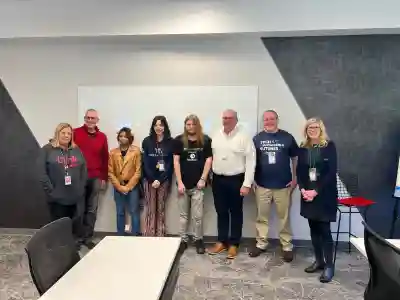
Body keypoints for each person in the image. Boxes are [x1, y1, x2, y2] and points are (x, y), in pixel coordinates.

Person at [249, 110, 298, 262]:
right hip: (262, 185)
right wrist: (252, 180)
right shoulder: (257, 138)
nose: (268, 121)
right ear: (263, 121)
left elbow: (295, 158)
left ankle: (286, 246)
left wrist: (295, 178)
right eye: (266, 119)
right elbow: (251, 161)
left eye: (271, 119)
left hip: (283, 185)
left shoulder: (287, 137)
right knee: (261, 217)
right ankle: (261, 243)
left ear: (277, 120)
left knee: (284, 217)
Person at [208, 109, 256, 259]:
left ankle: (234, 244)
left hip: (236, 180)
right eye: (224, 118)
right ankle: (222, 241)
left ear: (236, 120)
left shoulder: (244, 137)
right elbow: (212, 157)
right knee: (221, 211)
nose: (225, 120)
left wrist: (247, 183)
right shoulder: (216, 135)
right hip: (218, 179)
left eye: (229, 118)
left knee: (235, 212)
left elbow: (251, 160)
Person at [297, 117, 337, 283]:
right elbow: (300, 171)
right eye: (309, 127)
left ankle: (329, 266)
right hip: (307, 194)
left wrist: (316, 191)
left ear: (320, 129)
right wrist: (303, 189)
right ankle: (319, 261)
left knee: (325, 231)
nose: (312, 130)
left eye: (315, 127)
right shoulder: (303, 147)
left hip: (324, 194)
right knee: (313, 229)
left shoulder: (329, 146)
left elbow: (331, 172)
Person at [37, 123, 87, 241]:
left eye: (69, 133)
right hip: (57, 197)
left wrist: (80, 188)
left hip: (74, 196)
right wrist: (51, 190)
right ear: (57, 134)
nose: (66, 136)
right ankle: (58, 250)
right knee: (57, 228)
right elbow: (41, 172)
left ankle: (70, 248)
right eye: (63, 133)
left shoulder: (76, 149)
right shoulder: (47, 149)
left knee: (72, 226)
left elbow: (83, 169)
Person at [173, 114, 213, 254]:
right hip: (183, 185)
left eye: (193, 124)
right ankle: (182, 240)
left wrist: (203, 179)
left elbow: (209, 160)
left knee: (198, 216)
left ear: (197, 125)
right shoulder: (179, 141)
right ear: (185, 126)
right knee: (183, 216)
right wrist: (179, 182)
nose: (190, 127)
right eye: (188, 124)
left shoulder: (205, 140)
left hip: (198, 186)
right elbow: (176, 162)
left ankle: (198, 240)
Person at [74, 109, 108, 249]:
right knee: (78, 209)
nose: (90, 120)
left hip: (95, 177)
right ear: (84, 118)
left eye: (93, 118)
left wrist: (104, 178)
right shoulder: (75, 133)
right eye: (87, 118)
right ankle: (76, 239)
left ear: (97, 120)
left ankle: (88, 237)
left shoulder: (102, 137)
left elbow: (105, 158)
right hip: (78, 177)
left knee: (92, 209)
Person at [142, 115, 174, 237]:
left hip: (164, 180)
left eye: (161, 124)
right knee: (150, 209)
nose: (158, 127)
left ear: (165, 126)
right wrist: (152, 179)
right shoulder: (147, 141)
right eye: (156, 125)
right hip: (148, 180)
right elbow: (144, 162)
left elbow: (170, 165)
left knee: (160, 208)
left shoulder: (171, 142)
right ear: (153, 126)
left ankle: (160, 235)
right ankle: (149, 234)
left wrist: (160, 180)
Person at [108, 127, 142, 236]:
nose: (123, 138)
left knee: (134, 211)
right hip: (118, 186)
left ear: (130, 138)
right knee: (120, 212)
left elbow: (138, 171)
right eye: (121, 136)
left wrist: (128, 187)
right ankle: (120, 235)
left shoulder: (136, 151)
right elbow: (110, 172)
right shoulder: (113, 152)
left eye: (125, 136)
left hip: (133, 186)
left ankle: (135, 234)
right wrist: (119, 186)